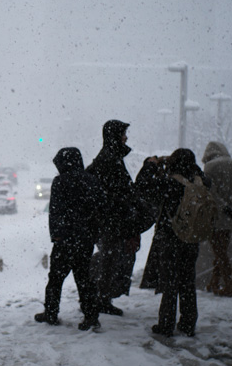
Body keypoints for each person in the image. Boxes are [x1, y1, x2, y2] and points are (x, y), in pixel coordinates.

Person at [135, 147, 211, 337]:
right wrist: (190, 166)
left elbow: (141, 186)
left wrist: (151, 165)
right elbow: (201, 175)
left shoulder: (169, 183)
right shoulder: (200, 181)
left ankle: (166, 324)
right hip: (191, 238)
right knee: (187, 282)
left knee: (170, 283)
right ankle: (188, 323)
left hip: (170, 237)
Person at [86, 120, 150, 316]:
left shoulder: (110, 158)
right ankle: (101, 299)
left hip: (109, 220)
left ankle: (100, 297)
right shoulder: (109, 160)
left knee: (110, 259)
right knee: (109, 260)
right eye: (123, 134)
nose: (126, 137)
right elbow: (119, 193)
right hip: (110, 221)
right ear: (114, 136)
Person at [35, 147, 101, 330]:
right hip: (85, 239)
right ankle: (91, 316)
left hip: (65, 240)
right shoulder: (91, 180)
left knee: (56, 279)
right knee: (84, 279)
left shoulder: (60, 181)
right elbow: (98, 209)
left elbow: (55, 211)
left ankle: (51, 313)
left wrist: (56, 235)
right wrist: (93, 233)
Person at [201, 141, 232, 297]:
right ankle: (214, 283)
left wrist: (224, 207)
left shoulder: (210, 167)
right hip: (231, 218)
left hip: (215, 216)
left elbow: (210, 192)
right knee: (221, 251)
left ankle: (230, 286)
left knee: (220, 253)